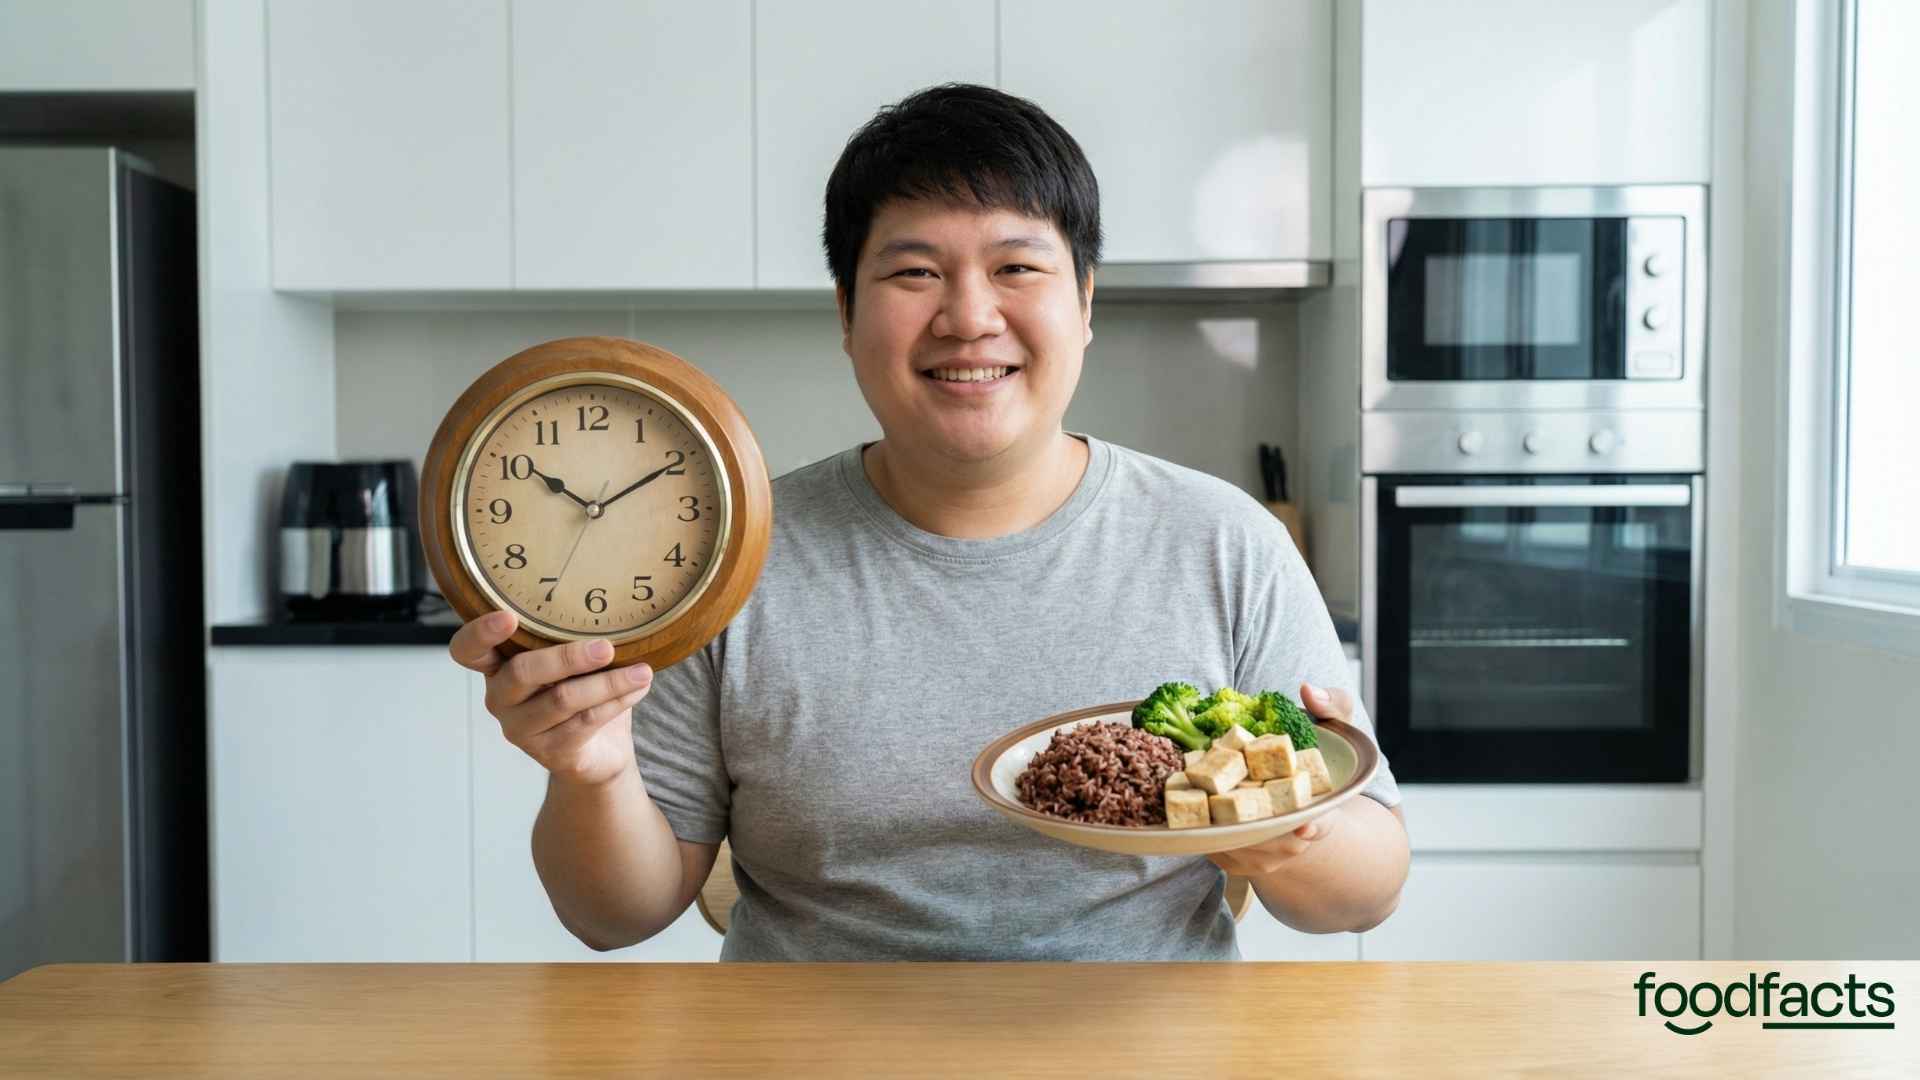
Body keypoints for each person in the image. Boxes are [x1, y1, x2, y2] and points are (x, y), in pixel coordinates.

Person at [449, 83, 1409, 961]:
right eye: (914, 273)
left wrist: (1296, 832)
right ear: (846, 310)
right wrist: (589, 770)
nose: (968, 316)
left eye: (1016, 266)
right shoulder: (728, 558)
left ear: (1083, 303)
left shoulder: (1223, 541)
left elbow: (1364, 894)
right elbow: (612, 915)